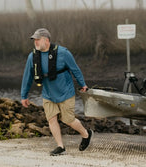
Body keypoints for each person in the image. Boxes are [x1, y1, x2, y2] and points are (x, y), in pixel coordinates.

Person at [21, 28, 93, 156]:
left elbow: (75, 70)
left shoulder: (64, 53)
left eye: (38, 39)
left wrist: (83, 85)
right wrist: (24, 95)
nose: (35, 42)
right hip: (48, 94)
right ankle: (60, 146)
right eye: (34, 40)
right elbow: (28, 76)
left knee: (68, 120)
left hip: (66, 92)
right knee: (51, 119)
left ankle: (86, 134)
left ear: (46, 40)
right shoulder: (32, 56)